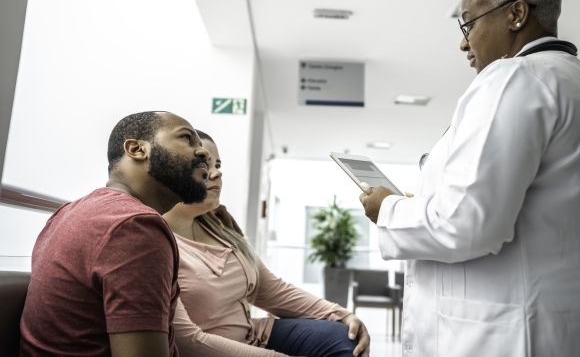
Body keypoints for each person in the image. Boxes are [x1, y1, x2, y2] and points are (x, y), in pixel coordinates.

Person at [358, 0, 580, 357]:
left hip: (518, 333)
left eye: (468, 23)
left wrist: (388, 209)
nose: (463, 41)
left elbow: (468, 222)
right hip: (577, 322)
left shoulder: (516, 78)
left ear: (516, 14)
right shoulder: (579, 84)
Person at [163, 130, 371, 357]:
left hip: (253, 336)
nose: (217, 173)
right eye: (203, 163)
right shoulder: (158, 242)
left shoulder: (220, 227)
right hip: (212, 349)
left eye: (218, 164)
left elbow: (271, 290)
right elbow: (187, 341)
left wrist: (342, 315)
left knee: (343, 337)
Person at [20, 111, 211, 357]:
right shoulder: (135, 227)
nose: (204, 151)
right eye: (187, 138)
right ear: (137, 149)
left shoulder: (69, 211)